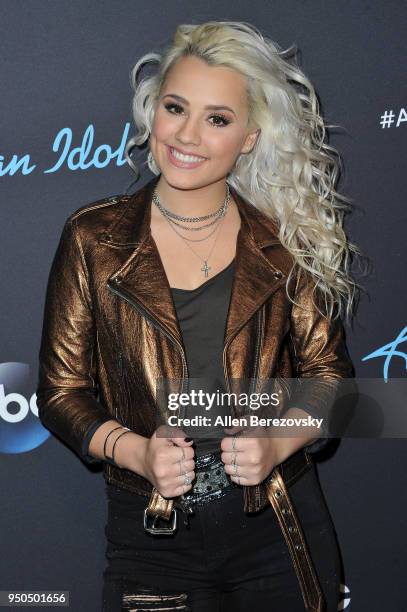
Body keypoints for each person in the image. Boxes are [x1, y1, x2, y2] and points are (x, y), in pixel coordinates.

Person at [36, 20, 362, 612]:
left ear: (250, 137)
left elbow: (332, 380)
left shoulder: (286, 243)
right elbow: (61, 390)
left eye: (218, 119)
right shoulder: (93, 237)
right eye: (175, 107)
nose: (187, 135)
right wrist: (136, 452)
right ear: (152, 111)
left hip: (279, 527)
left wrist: (276, 443)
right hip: (152, 533)